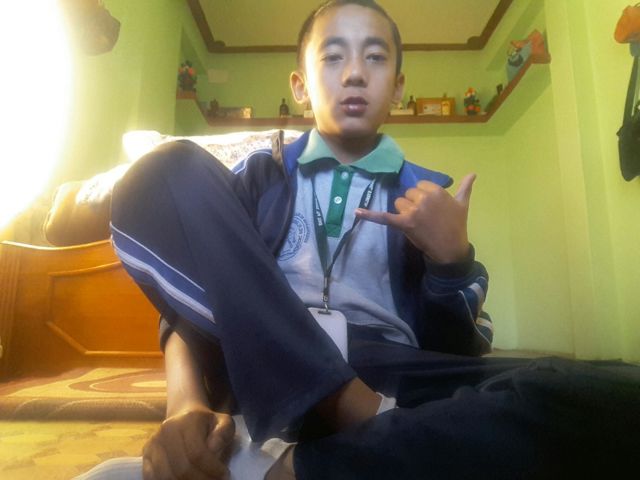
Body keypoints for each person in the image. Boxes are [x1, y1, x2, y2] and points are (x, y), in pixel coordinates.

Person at [77, 1, 640, 479]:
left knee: (606, 390)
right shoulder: (256, 176)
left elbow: (458, 348)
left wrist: (451, 261)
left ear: (397, 86)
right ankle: (361, 420)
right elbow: (198, 297)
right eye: (332, 57)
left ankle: (287, 467)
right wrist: (184, 403)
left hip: (391, 371)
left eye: (374, 57)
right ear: (300, 86)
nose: (353, 73)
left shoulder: (428, 197)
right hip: (261, 364)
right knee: (162, 169)